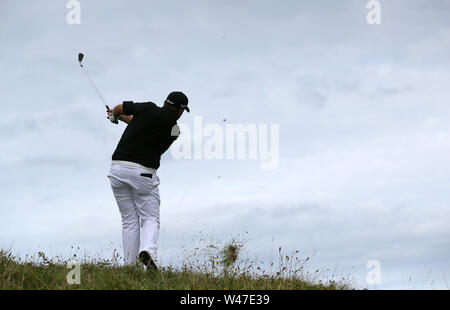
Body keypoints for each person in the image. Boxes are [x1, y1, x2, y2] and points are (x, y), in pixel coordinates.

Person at [106, 91, 189, 270]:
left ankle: (129, 267)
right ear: (180, 111)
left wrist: (115, 114)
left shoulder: (149, 109)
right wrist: (118, 116)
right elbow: (139, 123)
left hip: (117, 169)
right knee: (150, 217)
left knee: (129, 220)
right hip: (143, 174)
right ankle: (148, 251)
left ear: (165, 102)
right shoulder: (175, 130)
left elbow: (122, 109)